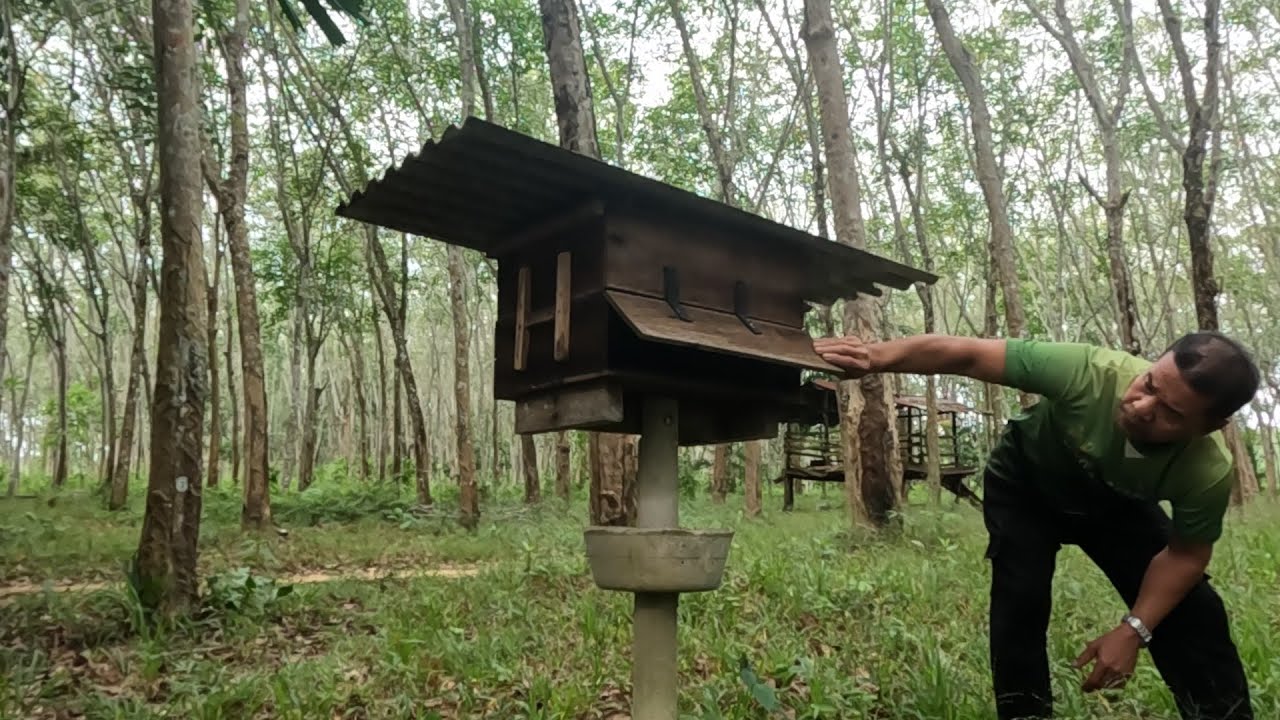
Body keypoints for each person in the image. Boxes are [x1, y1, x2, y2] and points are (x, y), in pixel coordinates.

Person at [812, 331, 1258, 720]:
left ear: (1210, 426)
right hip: (1024, 483)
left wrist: (1133, 629)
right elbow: (965, 354)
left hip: (1114, 504)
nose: (1142, 406)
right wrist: (875, 357)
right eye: (1148, 384)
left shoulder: (1206, 472)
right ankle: (1025, 712)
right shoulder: (1087, 371)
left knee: (1193, 611)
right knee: (1020, 599)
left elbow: (1186, 555)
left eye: (1172, 414)